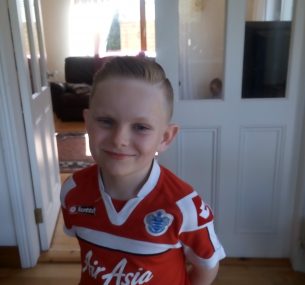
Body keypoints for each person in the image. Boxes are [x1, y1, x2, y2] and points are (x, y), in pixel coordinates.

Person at [60, 56, 225, 285]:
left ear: (165, 138)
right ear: (87, 122)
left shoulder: (185, 207)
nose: (119, 140)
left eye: (140, 127)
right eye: (106, 121)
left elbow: (206, 267)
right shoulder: (73, 191)